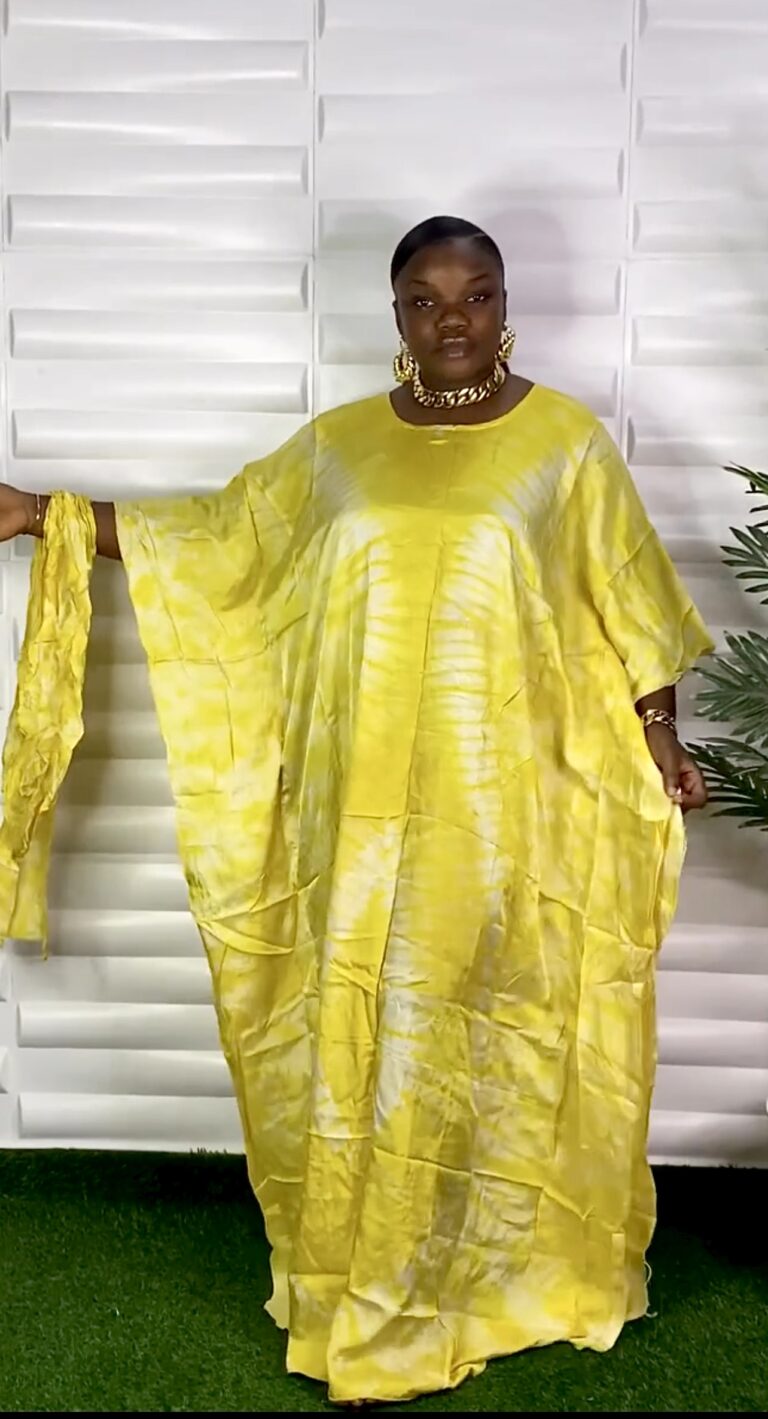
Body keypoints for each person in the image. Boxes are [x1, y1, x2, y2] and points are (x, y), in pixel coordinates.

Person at [0, 216, 712, 1406]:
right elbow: (221, 540)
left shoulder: (565, 447)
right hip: (356, 811)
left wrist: (659, 733)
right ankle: (368, 1284)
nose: (452, 318)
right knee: (369, 1024)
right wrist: (44, 512)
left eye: (476, 294)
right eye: (426, 299)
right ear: (396, 316)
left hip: (501, 815)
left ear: (504, 306)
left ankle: (500, 1275)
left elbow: (626, 597)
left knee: (489, 1030)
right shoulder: (339, 450)